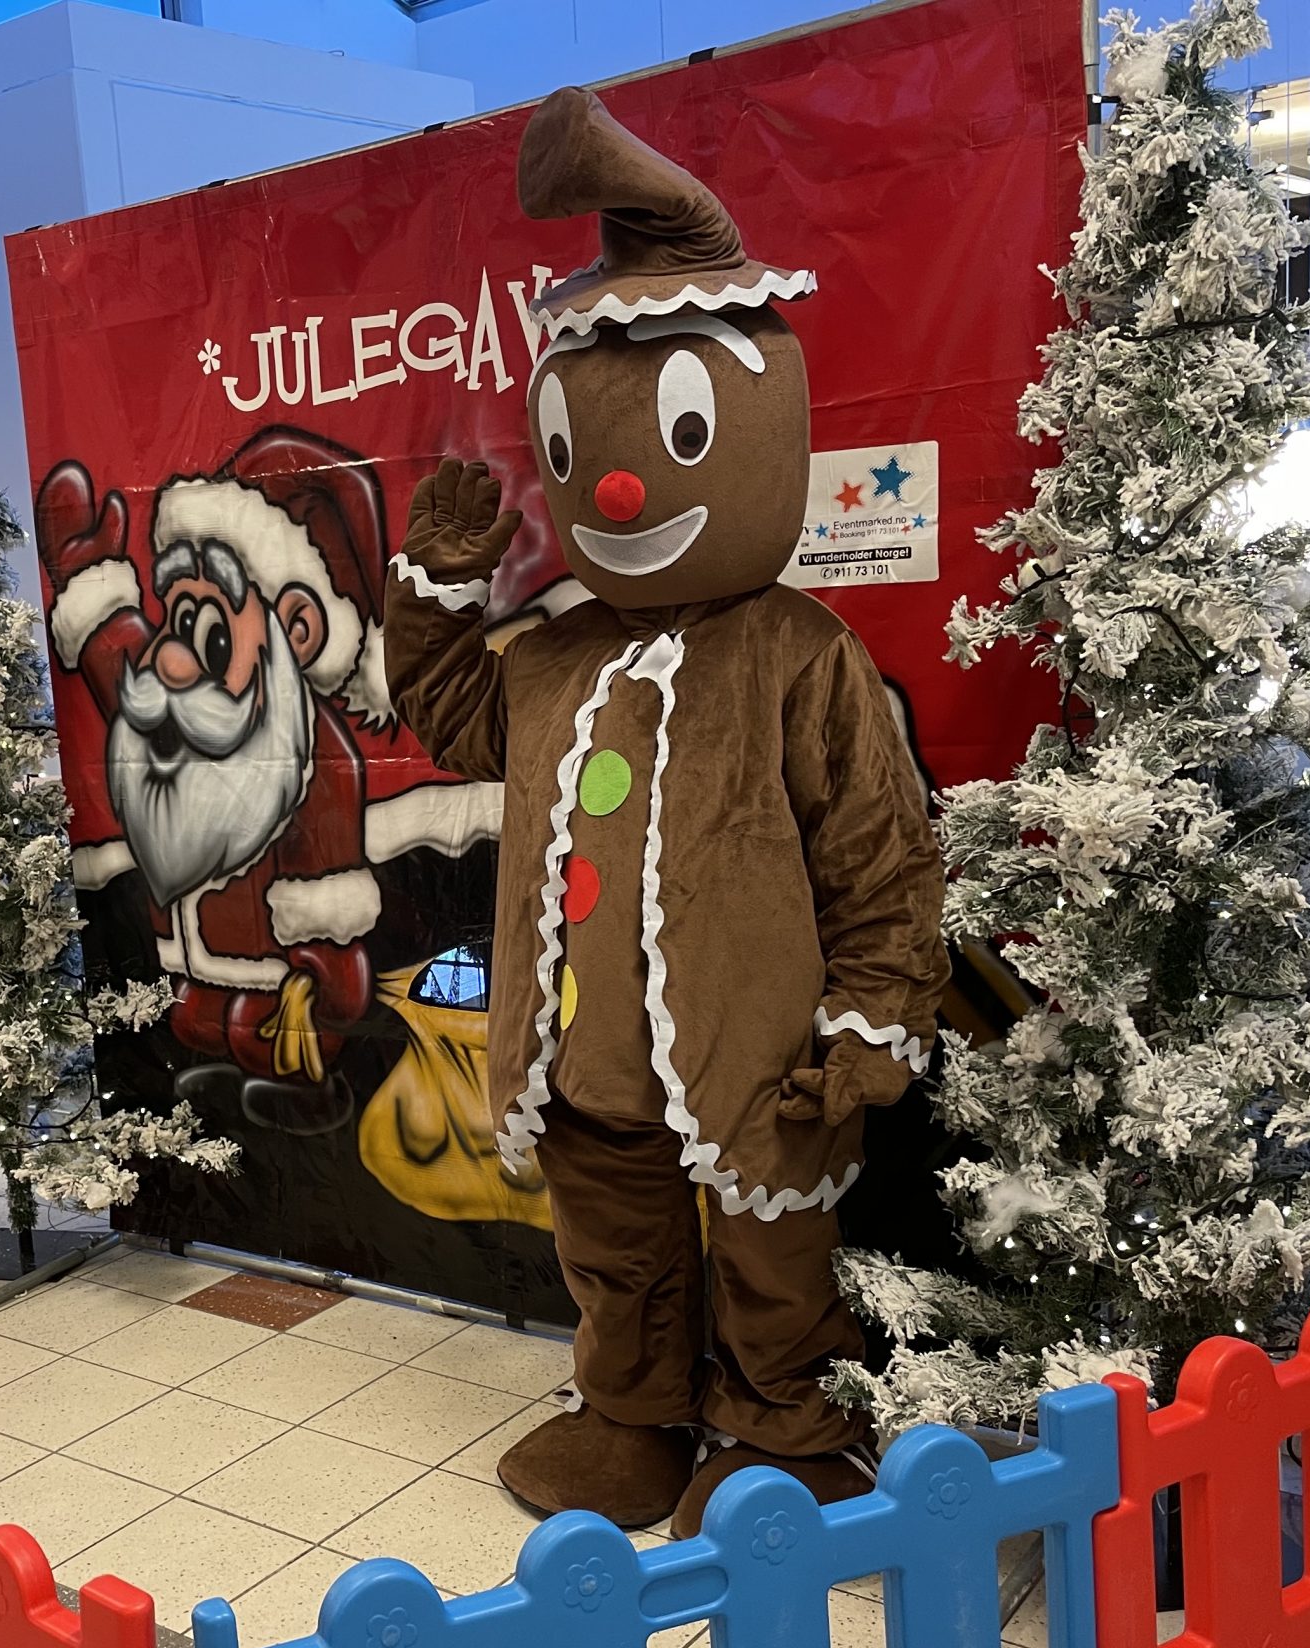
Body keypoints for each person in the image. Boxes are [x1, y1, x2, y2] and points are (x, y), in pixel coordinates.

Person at [383, 88, 948, 1537]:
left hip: (755, 1053)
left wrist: (875, 1015)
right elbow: (455, 716)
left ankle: (783, 1426)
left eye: (674, 430)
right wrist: (439, 591)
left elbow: (880, 856)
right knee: (616, 1251)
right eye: (581, 452)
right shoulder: (556, 651)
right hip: (585, 1055)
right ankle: (633, 1409)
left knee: (774, 1257)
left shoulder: (797, 651)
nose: (619, 481)